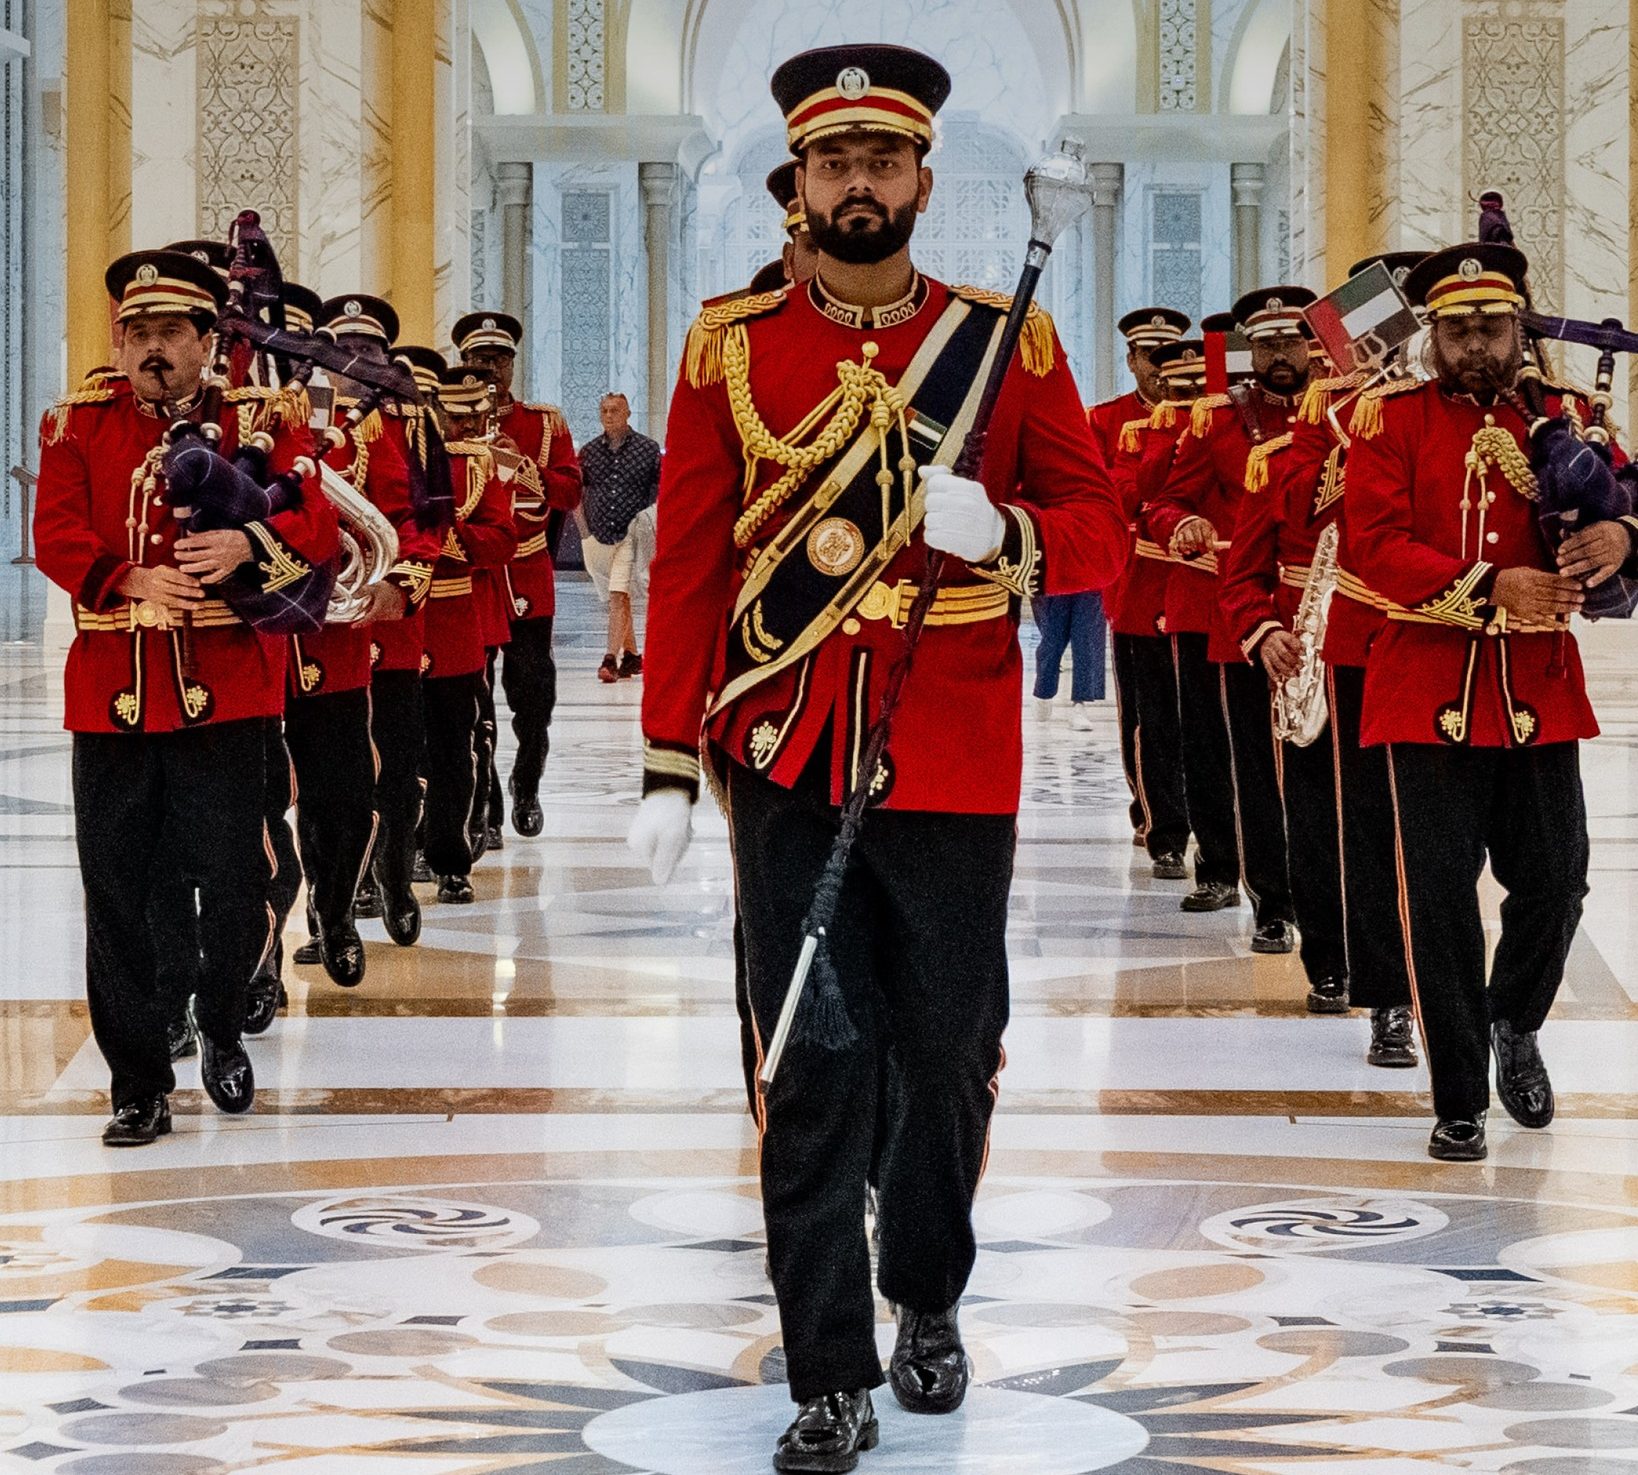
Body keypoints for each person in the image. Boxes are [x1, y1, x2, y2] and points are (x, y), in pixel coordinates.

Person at [627, 43, 1126, 1472]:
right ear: (796, 188)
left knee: (950, 1047)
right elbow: (688, 565)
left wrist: (1011, 537)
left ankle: (928, 1289)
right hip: (786, 744)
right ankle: (828, 1364)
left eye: (883, 161)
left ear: (920, 180)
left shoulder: (1006, 341)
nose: (859, 182)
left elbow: (1096, 524)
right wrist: (669, 758)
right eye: (833, 163)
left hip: (955, 746)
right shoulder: (727, 346)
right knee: (808, 1048)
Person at [33, 248, 338, 1145]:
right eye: (136, 334)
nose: (150, 350)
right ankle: (138, 1081)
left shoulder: (262, 418)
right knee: (117, 893)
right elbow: (55, 530)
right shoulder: (77, 423)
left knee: (236, 881)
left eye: (170, 332)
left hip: (227, 694)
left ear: (210, 340)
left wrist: (250, 546)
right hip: (114, 700)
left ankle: (222, 1028)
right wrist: (126, 577)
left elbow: (316, 521)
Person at [1345, 240, 1621, 1161]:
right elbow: (1372, 548)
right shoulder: (1389, 424)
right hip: (1424, 691)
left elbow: (1625, 500)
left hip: (1539, 689)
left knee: (1559, 882)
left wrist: (1620, 535)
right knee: (1440, 901)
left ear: (1517, 328)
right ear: (1433, 335)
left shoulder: (1571, 416)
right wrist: (1488, 585)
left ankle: (1515, 1023)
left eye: (1490, 327)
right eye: (1455, 328)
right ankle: (1458, 1093)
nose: (1474, 344)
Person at [1222, 252, 1426, 1063]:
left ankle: (1413, 983)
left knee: (1421, 837)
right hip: (1327, 646)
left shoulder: (1431, 425)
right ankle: (1354, 973)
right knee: (1331, 821)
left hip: (1429, 643)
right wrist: (1263, 630)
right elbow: (1245, 570)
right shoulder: (1292, 450)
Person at [1146, 287, 1313, 950]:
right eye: (1266, 343)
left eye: (1290, 341)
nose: (1278, 355)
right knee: (1249, 765)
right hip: (1239, 620)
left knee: (1322, 771)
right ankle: (1272, 899)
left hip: (1325, 621)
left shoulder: (1341, 413)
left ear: (1309, 345)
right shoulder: (1217, 420)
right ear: (1249, 349)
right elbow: (1164, 502)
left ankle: (1330, 895)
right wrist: (1182, 522)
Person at [285, 294, 439, 987]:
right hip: (253, 649)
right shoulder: (243, 422)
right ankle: (256, 955)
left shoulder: (383, 435)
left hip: (343, 644)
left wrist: (398, 582)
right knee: (249, 812)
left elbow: (417, 522)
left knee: (345, 798)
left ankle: (336, 906)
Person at [456, 311, 583, 839]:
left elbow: (570, 492)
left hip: (527, 573)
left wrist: (523, 466)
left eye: (499, 359)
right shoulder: (448, 420)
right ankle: (484, 797)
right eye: (480, 359)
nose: (490, 368)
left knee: (534, 695)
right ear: (463, 363)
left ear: (512, 364)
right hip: (476, 578)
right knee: (472, 698)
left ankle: (526, 783)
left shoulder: (544, 423)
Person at [1107, 339, 1205, 880]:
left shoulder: (1223, 429)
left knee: (1204, 725)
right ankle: (1164, 826)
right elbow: (1124, 495)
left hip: (1204, 594)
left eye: (1198, 389)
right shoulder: (1134, 434)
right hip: (1145, 591)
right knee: (1154, 722)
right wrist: (1166, 441)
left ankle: (1212, 827)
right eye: (1177, 389)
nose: (1187, 400)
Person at [420, 367, 519, 903]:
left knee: (455, 750)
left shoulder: (482, 465)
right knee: (393, 754)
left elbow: (503, 539)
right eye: (450, 417)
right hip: (393, 627)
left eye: (468, 418)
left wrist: (445, 537)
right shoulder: (401, 456)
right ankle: (392, 856)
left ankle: (451, 858)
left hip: (457, 622)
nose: (459, 428)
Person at [1089, 309, 1189, 787]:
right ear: (1132, 360)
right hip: (1139, 584)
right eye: (1151, 356)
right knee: (1146, 713)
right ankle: (1154, 813)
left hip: (1198, 581)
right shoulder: (1107, 420)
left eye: (1169, 356)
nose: (1161, 368)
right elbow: (1105, 494)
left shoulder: (1206, 413)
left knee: (1198, 713)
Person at [577, 392, 661, 682]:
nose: (609, 415)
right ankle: (634, 656)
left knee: (618, 594)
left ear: (628, 413)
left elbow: (663, 490)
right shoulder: (588, 452)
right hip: (598, 535)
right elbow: (575, 491)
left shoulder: (648, 450)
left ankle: (609, 659)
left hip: (631, 533)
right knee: (617, 597)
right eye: (604, 410)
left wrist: (651, 525)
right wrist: (584, 531)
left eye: (615, 410)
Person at [1030, 587, 1105, 725]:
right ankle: (1043, 689)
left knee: (1086, 635)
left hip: (1089, 573)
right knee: (1052, 636)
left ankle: (1080, 702)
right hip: (1054, 577)